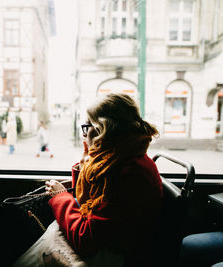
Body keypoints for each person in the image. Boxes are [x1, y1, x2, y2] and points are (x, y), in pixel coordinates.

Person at [41, 93, 163, 265]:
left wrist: (60, 197)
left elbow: (86, 239)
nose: (84, 135)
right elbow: (91, 200)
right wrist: (85, 165)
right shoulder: (120, 158)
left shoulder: (130, 173)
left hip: (120, 255)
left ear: (103, 129)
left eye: (87, 126)